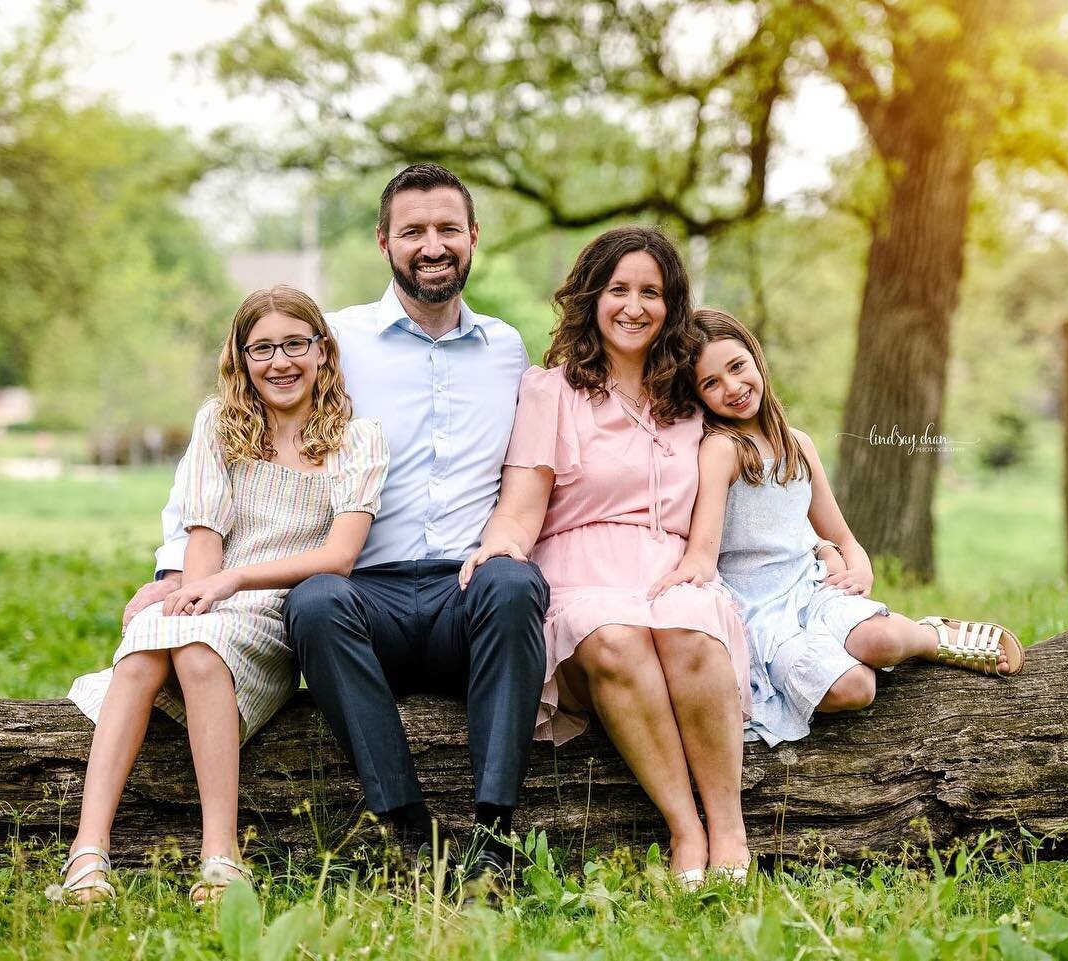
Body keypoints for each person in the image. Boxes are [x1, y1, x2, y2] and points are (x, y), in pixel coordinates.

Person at [129, 164, 548, 888]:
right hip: (364, 593)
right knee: (316, 599)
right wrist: (177, 571)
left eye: (448, 229)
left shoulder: (508, 350)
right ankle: (408, 830)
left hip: (463, 589)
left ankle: (494, 834)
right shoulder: (338, 341)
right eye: (413, 231)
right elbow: (230, 440)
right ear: (385, 242)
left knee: (516, 584)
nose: (432, 245)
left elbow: (531, 471)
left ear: (473, 238)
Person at [62, 286, 388, 905]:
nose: (280, 362)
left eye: (296, 344)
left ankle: (220, 856)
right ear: (242, 358)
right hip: (215, 587)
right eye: (261, 348)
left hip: (278, 606)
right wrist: (192, 595)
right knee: (145, 644)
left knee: (199, 651)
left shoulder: (358, 438)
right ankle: (88, 852)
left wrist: (230, 585)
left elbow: (340, 556)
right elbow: (204, 533)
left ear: (323, 352)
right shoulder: (220, 423)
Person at [459, 226, 752, 886]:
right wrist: (500, 544)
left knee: (689, 628)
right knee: (615, 637)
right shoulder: (552, 390)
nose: (633, 305)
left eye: (651, 292)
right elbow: (522, 502)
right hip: (582, 572)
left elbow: (758, 464)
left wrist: (825, 540)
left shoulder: (691, 399)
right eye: (619, 288)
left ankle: (730, 829)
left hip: (673, 568)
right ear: (593, 296)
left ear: (672, 304)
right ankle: (686, 829)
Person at [657, 307, 1024, 748]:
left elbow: (843, 536)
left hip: (812, 590)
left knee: (884, 640)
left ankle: (932, 636)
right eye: (711, 383)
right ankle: (836, 659)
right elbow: (703, 549)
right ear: (698, 397)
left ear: (756, 358)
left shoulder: (798, 444)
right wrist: (682, 577)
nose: (732, 387)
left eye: (737, 367)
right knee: (856, 689)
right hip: (762, 614)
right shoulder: (721, 449)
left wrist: (858, 565)